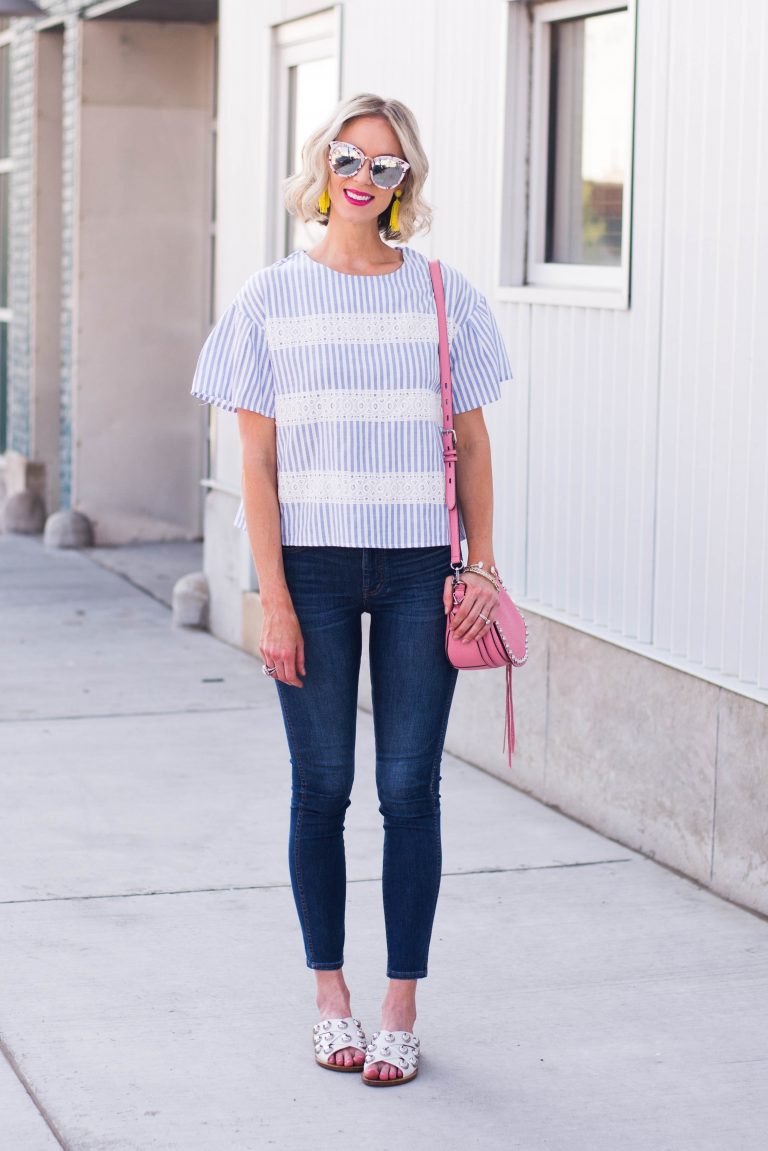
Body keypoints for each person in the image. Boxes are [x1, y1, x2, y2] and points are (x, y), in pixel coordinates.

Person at [191, 92, 512, 1086]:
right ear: (322, 164)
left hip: (422, 566)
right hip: (314, 570)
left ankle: (399, 1007)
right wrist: (272, 596)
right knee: (321, 788)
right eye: (350, 157)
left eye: (387, 166)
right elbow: (255, 463)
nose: (365, 178)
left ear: (407, 184)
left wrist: (485, 564)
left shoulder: (443, 293)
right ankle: (328, 994)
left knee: (409, 790)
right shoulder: (268, 297)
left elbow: (468, 441)